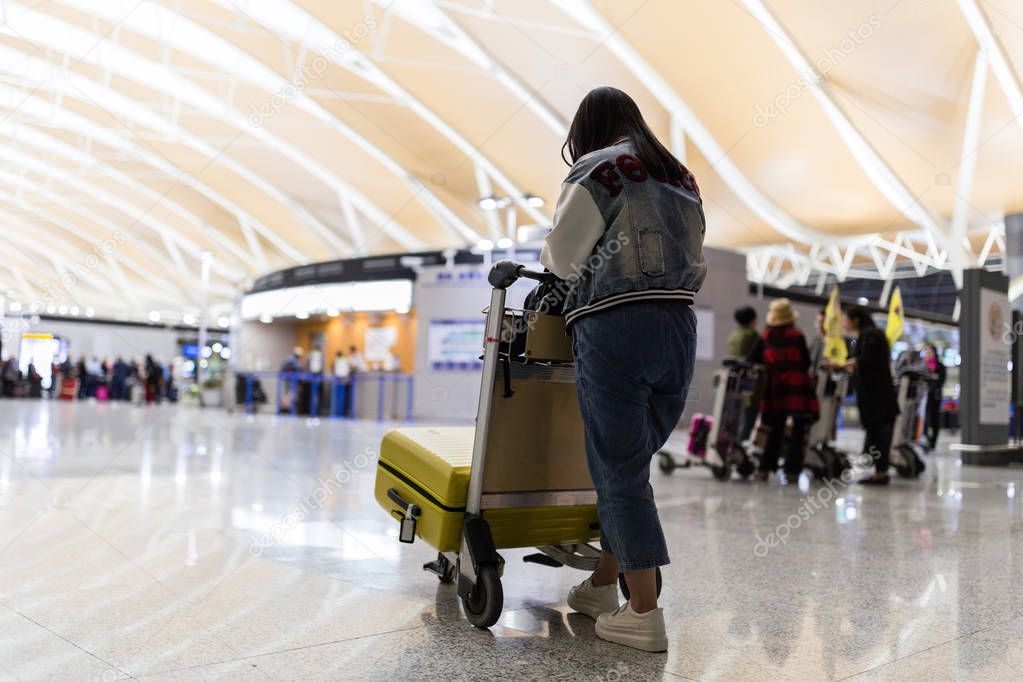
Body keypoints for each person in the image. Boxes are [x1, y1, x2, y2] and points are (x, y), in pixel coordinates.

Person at [540, 86, 705, 652]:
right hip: (679, 328)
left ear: (587, 129)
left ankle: (644, 613)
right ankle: (604, 584)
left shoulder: (598, 167)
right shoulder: (678, 173)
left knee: (618, 471)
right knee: (630, 466)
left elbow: (562, 257)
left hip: (616, 325)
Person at [751, 299, 818, 484]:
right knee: (798, 430)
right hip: (797, 386)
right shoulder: (797, 335)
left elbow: (754, 359)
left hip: (776, 386)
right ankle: (792, 472)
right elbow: (806, 362)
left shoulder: (765, 337)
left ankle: (764, 468)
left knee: (775, 427)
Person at [843, 305, 899, 485]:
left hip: (877, 399)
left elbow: (868, 361)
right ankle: (878, 471)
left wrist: (844, 364)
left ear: (856, 319)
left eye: (846, 318)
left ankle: (881, 474)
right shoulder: (869, 335)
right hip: (878, 398)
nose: (844, 322)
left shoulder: (871, 336)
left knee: (879, 434)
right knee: (876, 434)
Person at [727, 306, 763, 442]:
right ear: (753, 320)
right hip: (749, 385)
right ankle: (740, 450)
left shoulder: (734, 335)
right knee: (747, 422)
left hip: (731, 384)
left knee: (730, 420)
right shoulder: (753, 336)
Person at [922, 343, 946, 451]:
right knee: (924, 419)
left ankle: (932, 442)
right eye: (926, 351)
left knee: (934, 419)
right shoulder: (921, 366)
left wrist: (933, 383)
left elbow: (940, 381)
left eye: (930, 351)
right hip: (923, 397)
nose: (928, 353)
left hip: (935, 397)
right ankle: (924, 439)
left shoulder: (940, 366)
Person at [808, 307, 826, 372]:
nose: (820, 325)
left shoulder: (836, 342)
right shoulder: (816, 340)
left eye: (822, 322)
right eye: (818, 322)